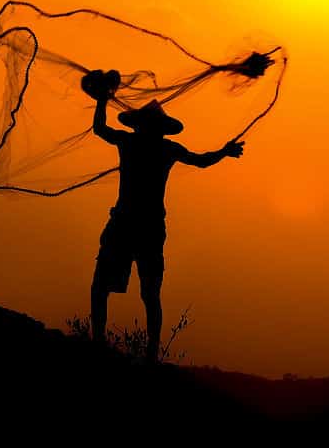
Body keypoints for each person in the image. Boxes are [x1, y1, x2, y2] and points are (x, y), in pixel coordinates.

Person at [83, 69, 244, 361]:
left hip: (129, 224)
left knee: (114, 287)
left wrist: (103, 100)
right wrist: (225, 151)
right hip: (145, 227)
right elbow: (202, 161)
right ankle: (145, 352)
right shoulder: (164, 148)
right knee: (145, 292)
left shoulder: (131, 143)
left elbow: (100, 129)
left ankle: (108, 344)